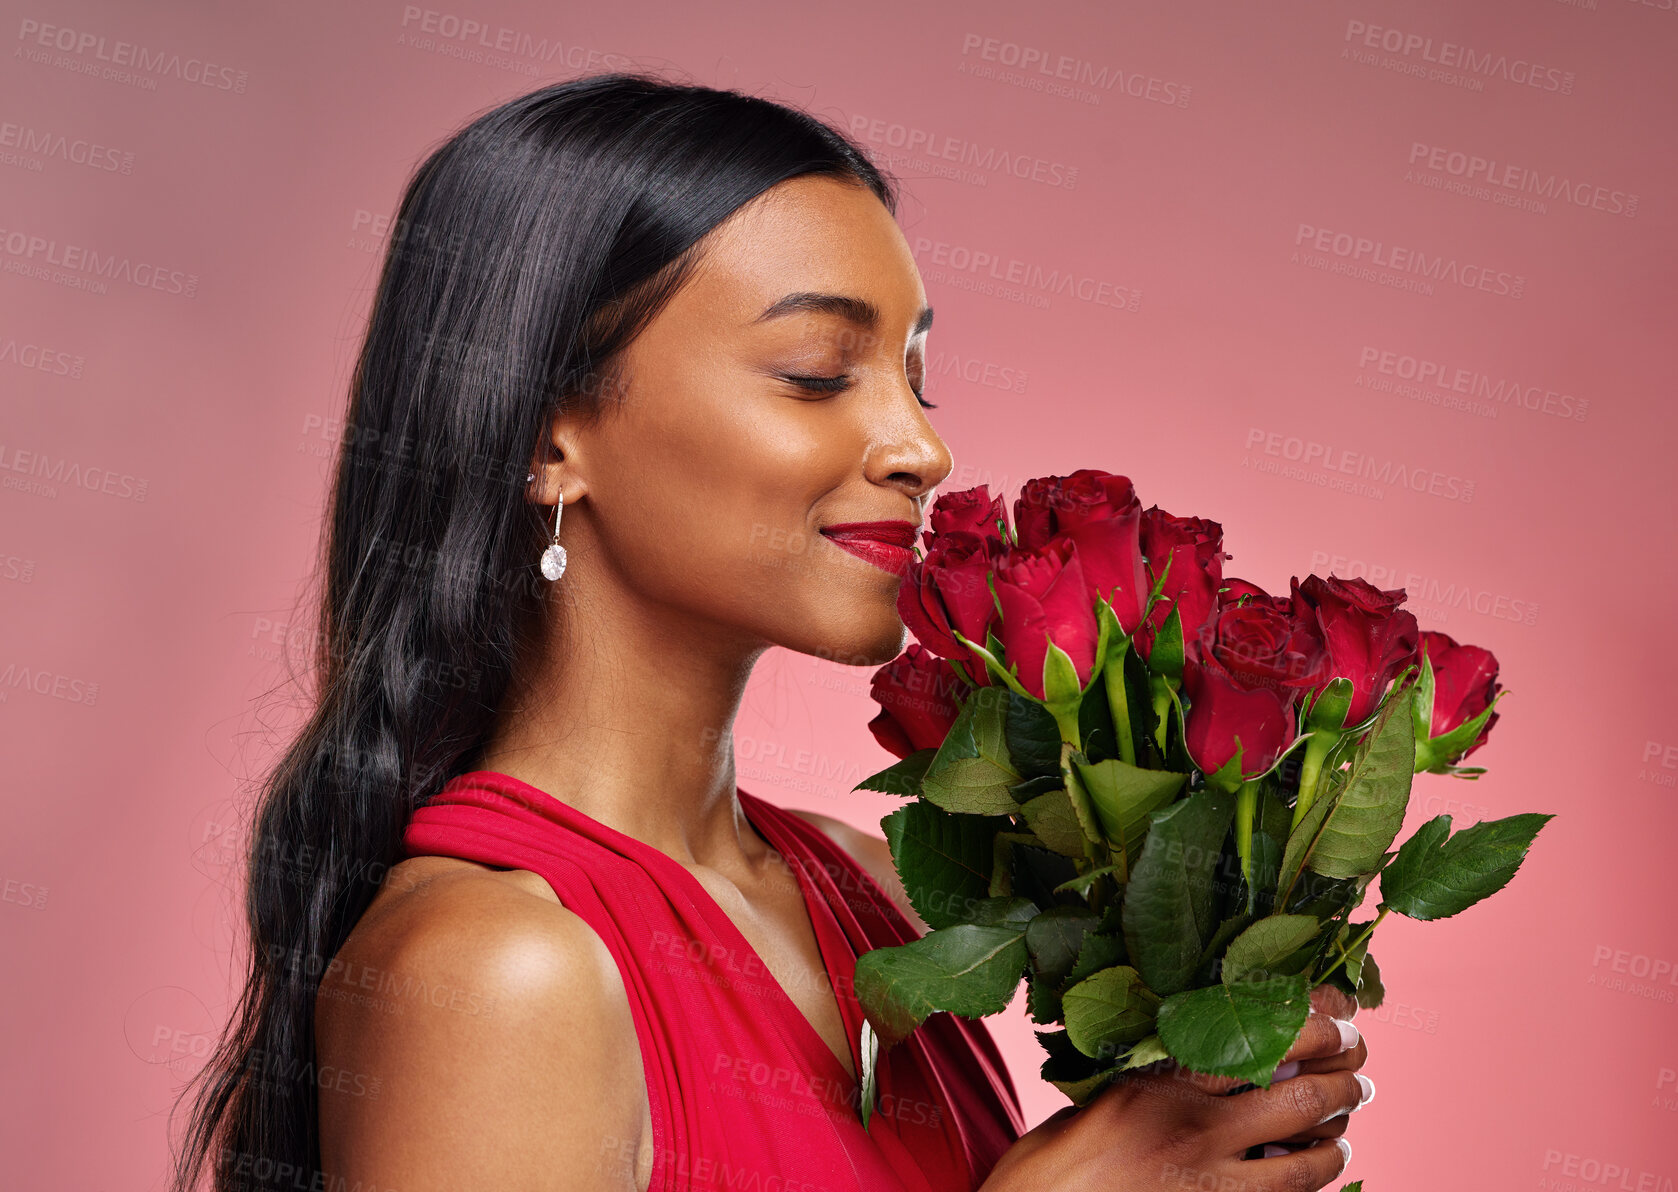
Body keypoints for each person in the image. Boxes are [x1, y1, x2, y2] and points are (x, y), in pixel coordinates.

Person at [169, 72, 1372, 1192]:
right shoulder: (492, 969)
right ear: (547, 437)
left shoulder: (868, 887)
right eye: (814, 370)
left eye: (914, 373)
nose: (920, 447)